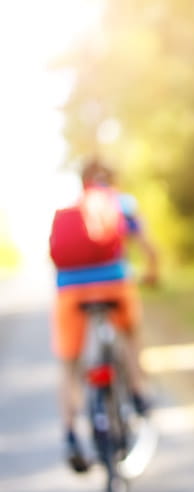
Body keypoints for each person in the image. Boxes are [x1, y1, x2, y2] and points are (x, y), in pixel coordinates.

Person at [50, 158, 159, 473]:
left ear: (83, 181)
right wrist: (152, 272)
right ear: (112, 179)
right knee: (131, 335)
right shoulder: (122, 203)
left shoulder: (70, 206)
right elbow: (147, 245)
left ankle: (70, 434)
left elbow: (55, 254)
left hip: (69, 289)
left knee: (69, 365)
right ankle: (139, 395)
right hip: (114, 282)